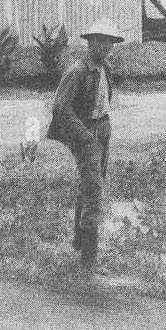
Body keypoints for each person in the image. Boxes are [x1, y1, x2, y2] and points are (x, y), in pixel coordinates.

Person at [46, 19, 124, 270]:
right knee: (94, 191)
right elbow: (60, 109)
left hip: (102, 128)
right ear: (90, 43)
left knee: (89, 184)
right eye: (101, 41)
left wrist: (103, 128)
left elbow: (102, 100)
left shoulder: (105, 68)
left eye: (110, 41)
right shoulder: (77, 71)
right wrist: (83, 135)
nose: (107, 46)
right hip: (86, 132)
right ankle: (89, 259)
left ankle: (79, 241)